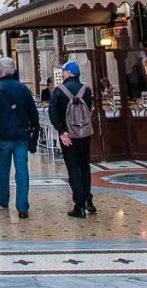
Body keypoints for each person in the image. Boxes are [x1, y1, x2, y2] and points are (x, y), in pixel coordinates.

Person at [0, 57, 39, 219]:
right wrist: (34, 135)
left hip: (3, 138)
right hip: (21, 137)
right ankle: (22, 207)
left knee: (3, 169)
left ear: (1, 72)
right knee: (22, 170)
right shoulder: (23, 89)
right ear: (14, 70)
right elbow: (33, 114)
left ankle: (3, 197)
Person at [49, 61, 96, 218]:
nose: (62, 74)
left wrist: (62, 131)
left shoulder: (59, 90)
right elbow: (89, 109)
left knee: (73, 168)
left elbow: (53, 113)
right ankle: (88, 199)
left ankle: (79, 205)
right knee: (85, 166)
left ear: (68, 73)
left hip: (68, 136)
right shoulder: (86, 90)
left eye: (63, 72)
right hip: (84, 134)